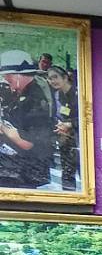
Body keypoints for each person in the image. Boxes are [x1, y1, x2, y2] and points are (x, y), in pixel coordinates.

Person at [0, 51, 56, 190]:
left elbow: (28, 143)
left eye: (8, 77)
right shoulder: (22, 92)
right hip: (15, 168)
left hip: (22, 172)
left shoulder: (35, 99)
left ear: (19, 75)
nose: (6, 80)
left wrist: (3, 127)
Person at [47, 67, 79, 191]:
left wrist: (70, 125)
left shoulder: (78, 93)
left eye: (55, 77)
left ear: (65, 78)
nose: (53, 81)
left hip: (80, 139)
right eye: (50, 78)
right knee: (67, 174)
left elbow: (88, 116)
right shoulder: (57, 94)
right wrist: (60, 125)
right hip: (65, 139)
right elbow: (58, 115)